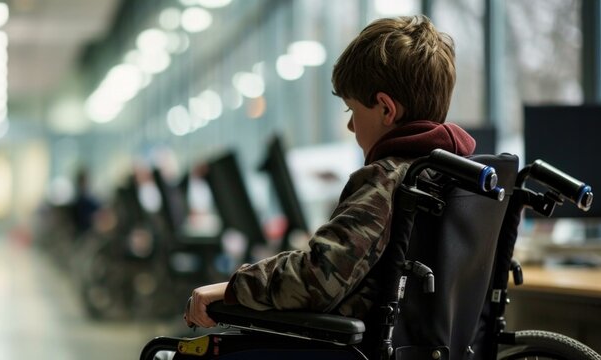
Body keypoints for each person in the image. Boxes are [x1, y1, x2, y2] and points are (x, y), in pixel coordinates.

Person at [184, 15, 477, 329]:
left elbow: (316, 279)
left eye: (352, 110)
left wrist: (233, 288)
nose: (351, 125)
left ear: (386, 109)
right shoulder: (457, 175)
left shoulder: (388, 179)